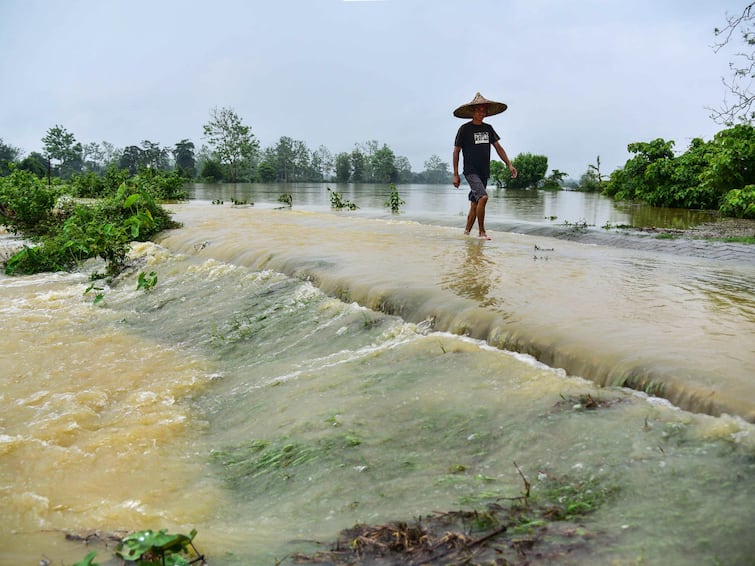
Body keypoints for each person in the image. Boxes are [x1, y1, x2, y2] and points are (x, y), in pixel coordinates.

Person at [452, 92, 518, 240]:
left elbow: (498, 148)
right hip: (470, 171)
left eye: (484, 110)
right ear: (472, 112)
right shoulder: (464, 129)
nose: (481, 113)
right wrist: (455, 174)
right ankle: (482, 232)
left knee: (475, 204)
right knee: (483, 197)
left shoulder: (488, 128)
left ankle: (466, 234)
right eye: (478, 110)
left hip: (484, 172)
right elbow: (456, 152)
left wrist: (509, 164)